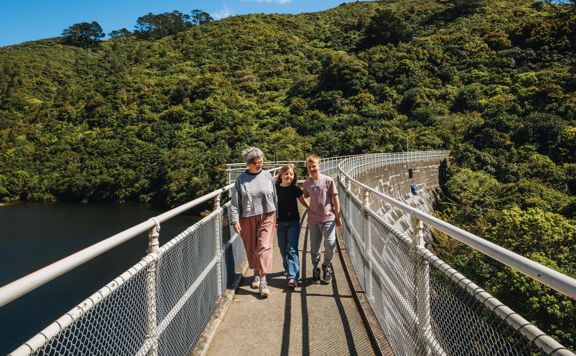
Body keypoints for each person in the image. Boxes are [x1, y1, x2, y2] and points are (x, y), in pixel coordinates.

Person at [230, 147, 277, 298]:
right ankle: (256, 272)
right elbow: (235, 203)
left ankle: (263, 280)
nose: (260, 165)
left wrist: (279, 217)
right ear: (248, 164)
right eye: (256, 163)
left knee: (264, 247)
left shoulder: (268, 176)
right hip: (247, 217)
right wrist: (234, 220)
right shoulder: (241, 179)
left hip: (267, 215)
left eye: (261, 162)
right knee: (251, 248)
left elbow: (275, 198)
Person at [303, 154, 342, 284]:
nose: (311, 169)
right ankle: (316, 267)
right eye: (309, 167)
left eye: (313, 166)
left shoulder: (328, 180)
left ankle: (327, 265)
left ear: (319, 166)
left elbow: (335, 197)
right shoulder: (307, 183)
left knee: (330, 243)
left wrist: (337, 215)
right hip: (314, 219)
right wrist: (308, 207)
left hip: (328, 217)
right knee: (314, 247)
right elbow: (304, 196)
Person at [275, 164, 309, 288]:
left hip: (293, 222)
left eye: (291, 174)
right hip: (280, 222)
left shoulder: (295, 189)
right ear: (281, 175)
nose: (289, 176)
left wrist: (311, 209)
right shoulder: (275, 189)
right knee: (282, 248)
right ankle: (288, 268)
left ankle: (293, 277)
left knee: (292, 249)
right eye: (286, 174)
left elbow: (303, 201)